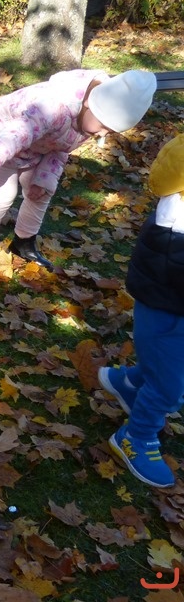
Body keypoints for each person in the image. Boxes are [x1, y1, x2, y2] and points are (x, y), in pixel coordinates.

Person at [0, 69, 157, 274]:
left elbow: (61, 147)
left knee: (41, 190)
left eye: (111, 131)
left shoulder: (90, 119)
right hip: (0, 137)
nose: (102, 135)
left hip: (37, 145)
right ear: (89, 103)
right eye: (103, 126)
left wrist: (44, 178)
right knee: (4, 194)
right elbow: (17, 134)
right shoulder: (53, 107)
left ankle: (24, 242)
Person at [100, 133, 184, 488]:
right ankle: (136, 436)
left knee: (171, 368)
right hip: (169, 291)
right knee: (170, 386)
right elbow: (163, 178)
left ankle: (131, 383)